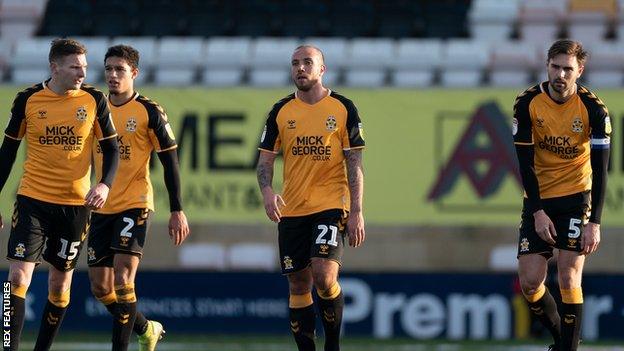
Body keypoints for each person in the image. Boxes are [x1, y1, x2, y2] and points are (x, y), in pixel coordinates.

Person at [0, 38, 119, 350]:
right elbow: (7, 153)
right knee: (18, 277)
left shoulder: (94, 99)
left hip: (75, 206)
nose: (82, 72)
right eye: (75, 66)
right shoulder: (28, 99)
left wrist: (104, 184)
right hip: (32, 200)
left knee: (58, 283)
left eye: (84, 66)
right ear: (54, 67)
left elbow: (111, 148)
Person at [256, 45, 365, 351]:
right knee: (298, 283)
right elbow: (264, 162)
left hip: (331, 204)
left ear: (322, 70)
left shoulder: (343, 107)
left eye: (307, 62)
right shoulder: (281, 111)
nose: (300, 68)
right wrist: (267, 192)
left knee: (324, 274)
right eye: (295, 63)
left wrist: (356, 211)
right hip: (292, 210)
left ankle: (332, 345)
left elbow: (354, 164)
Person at [87, 45, 190, 351]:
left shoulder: (149, 110)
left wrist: (177, 209)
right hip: (101, 204)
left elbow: (170, 160)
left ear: (134, 73)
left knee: (122, 279)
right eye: (108, 69)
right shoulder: (94, 107)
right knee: (100, 288)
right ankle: (147, 328)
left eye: (119, 69)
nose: (113, 75)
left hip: (135, 201)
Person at [513, 39, 610, 351]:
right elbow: (525, 164)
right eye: (555, 66)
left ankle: (569, 349)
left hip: (575, 196)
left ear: (579, 70)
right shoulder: (527, 103)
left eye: (568, 68)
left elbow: (601, 169)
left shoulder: (593, 110)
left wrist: (594, 222)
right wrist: (538, 212)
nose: (561, 74)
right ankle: (563, 339)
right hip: (539, 197)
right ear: (547, 66)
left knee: (569, 276)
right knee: (530, 282)